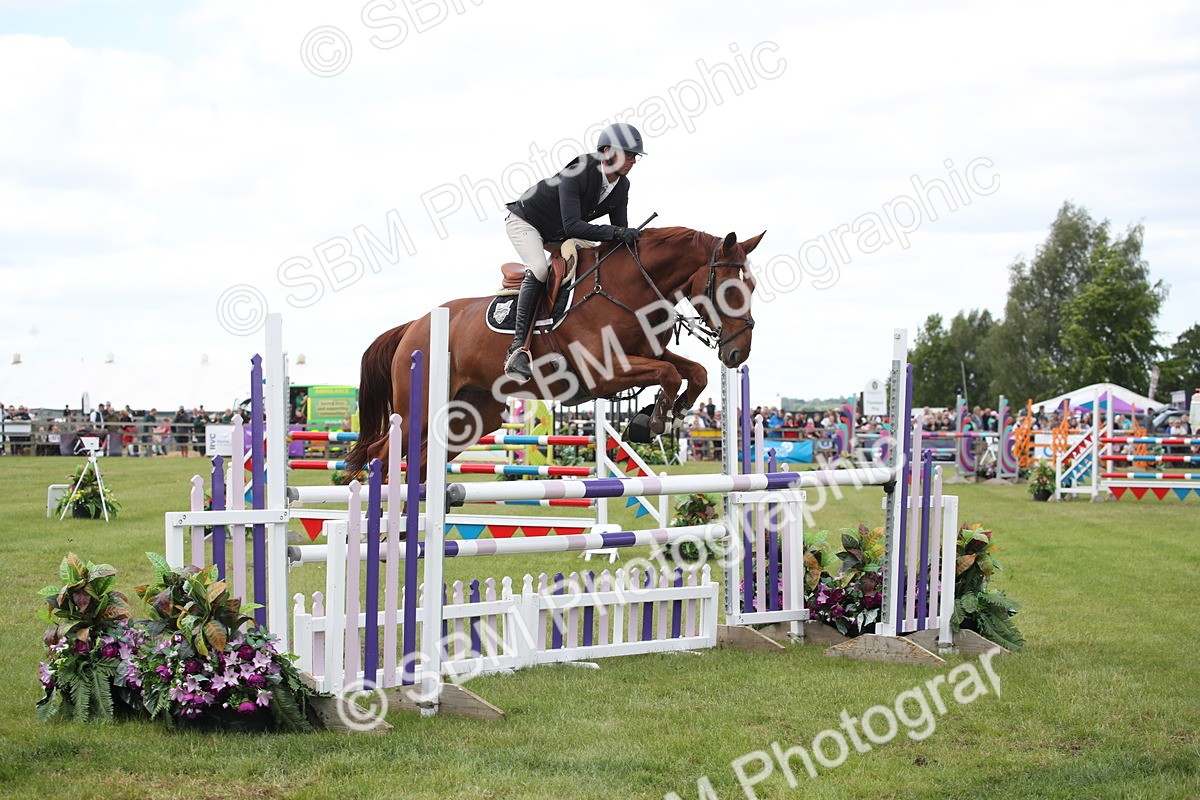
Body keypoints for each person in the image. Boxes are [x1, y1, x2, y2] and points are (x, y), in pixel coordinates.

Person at [500, 122, 647, 382]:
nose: (633, 161)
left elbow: (618, 234)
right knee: (540, 269)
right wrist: (617, 233)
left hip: (559, 233)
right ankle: (518, 350)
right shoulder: (579, 170)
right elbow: (573, 226)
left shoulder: (622, 186)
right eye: (628, 154)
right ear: (606, 151)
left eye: (635, 156)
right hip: (527, 222)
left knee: (593, 265)